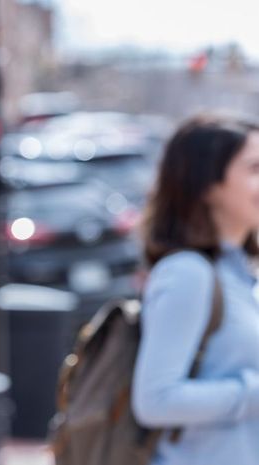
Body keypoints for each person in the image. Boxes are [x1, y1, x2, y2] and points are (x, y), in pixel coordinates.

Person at [133, 114, 259, 465]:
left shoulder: (237, 272)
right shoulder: (188, 273)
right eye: (254, 168)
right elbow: (155, 401)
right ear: (207, 185)